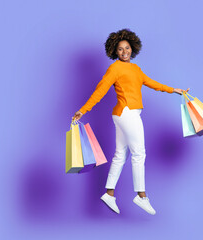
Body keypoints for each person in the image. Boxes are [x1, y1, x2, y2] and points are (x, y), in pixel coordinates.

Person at [72, 29, 189, 215]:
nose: (124, 51)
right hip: (127, 114)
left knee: (120, 155)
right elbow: (100, 91)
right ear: (114, 51)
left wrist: (173, 90)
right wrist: (83, 110)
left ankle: (109, 194)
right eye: (120, 49)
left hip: (124, 115)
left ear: (132, 48)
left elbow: (152, 83)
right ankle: (141, 196)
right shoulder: (115, 68)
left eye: (127, 48)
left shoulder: (135, 69)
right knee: (139, 154)